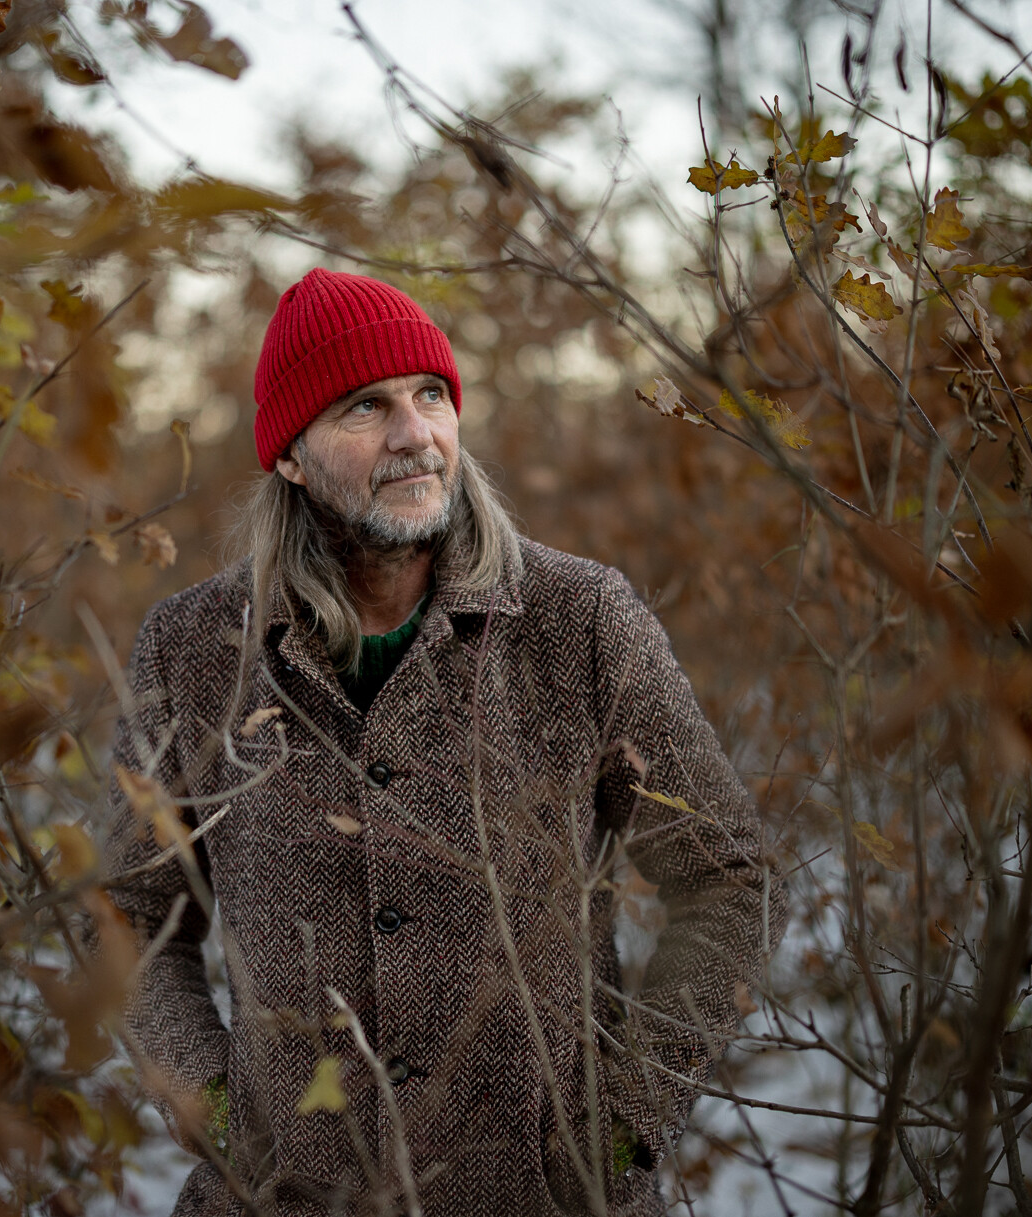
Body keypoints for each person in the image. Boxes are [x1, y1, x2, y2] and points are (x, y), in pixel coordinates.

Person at [102, 268, 786, 1216]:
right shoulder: (192, 650)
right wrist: (217, 1111)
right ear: (292, 457)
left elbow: (728, 877)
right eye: (364, 408)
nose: (415, 433)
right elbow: (128, 915)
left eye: (431, 396)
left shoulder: (577, 620)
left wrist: (624, 1123)